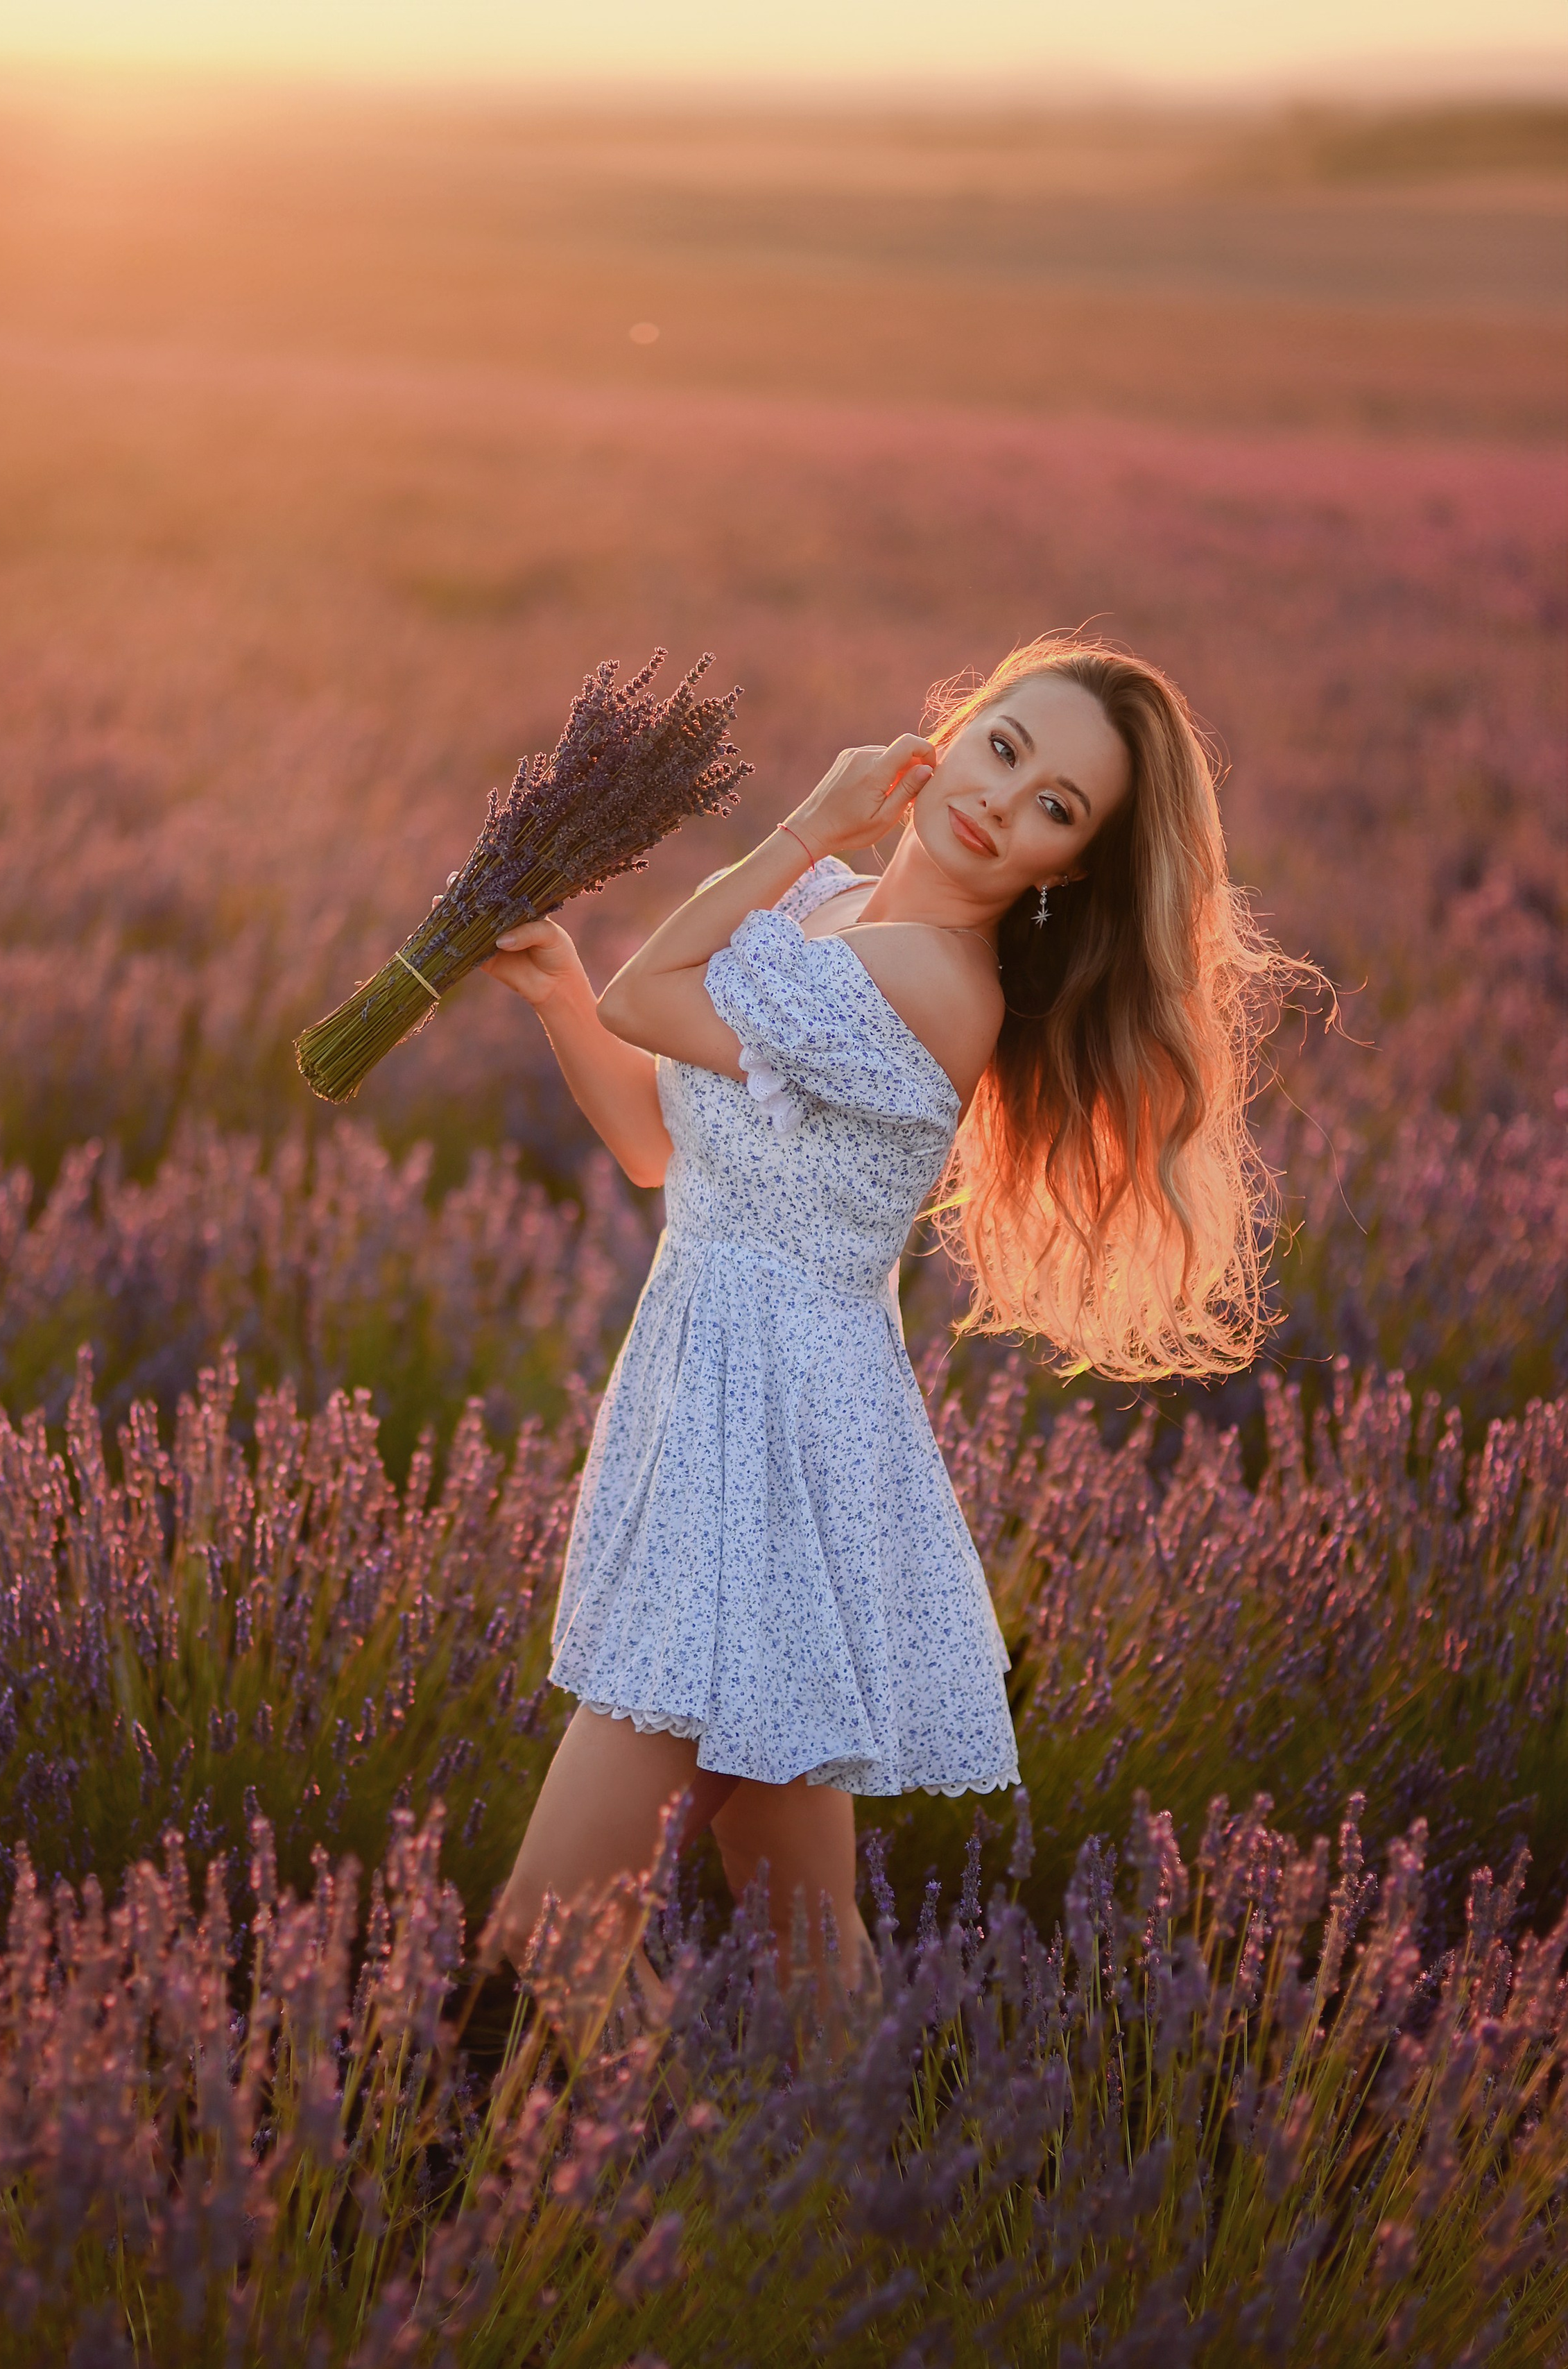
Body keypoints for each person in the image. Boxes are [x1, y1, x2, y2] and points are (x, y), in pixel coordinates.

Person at [475, 633, 1296, 2034]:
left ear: (1071, 867)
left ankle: (585, 2161)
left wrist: (806, 820)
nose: (1000, 801)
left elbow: (649, 996)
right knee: (805, 1941)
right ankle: (855, 2168)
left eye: (1053, 806)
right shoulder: (834, 905)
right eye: (1003, 748)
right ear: (954, 727)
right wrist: (557, 987)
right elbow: (663, 1147)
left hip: (774, 1454)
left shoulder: (932, 982)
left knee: (545, 1937)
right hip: (717, 1405)